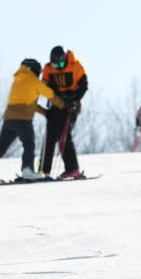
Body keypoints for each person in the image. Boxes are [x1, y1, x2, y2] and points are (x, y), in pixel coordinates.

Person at [0, 59, 64, 186]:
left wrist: (45, 113)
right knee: (29, 144)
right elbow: (50, 95)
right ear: (34, 70)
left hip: (9, 119)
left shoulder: (17, 80)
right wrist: (62, 104)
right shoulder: (34, 81)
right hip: (23, 119)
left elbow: (30, 103)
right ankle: (27, 170)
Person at [40, 45, 88, 179]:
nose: (58, 68)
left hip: (72, 104)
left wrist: (74, 99)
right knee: (50, 135)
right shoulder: (48, 68)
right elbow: (45, 85)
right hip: (57, 103)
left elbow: (84, 85)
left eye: (61, 64)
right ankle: (44, 170)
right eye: (55, 65)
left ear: (65, 58)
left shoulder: (75, 66)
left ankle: (72, 169)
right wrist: (54, 95)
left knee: (63, 133)